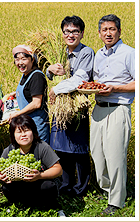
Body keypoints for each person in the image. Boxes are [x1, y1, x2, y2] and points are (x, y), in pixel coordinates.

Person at [90, 14, 135, 216]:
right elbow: (94, 81)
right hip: (98, 108)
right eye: (104, 30)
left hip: (118, 109)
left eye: (112, 29)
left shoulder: (130, 53)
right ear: (99, 33)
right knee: (97, 154)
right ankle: (107, 190)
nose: (108, 33)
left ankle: (117, 202)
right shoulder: (98, 55)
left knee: (115, 156)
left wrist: (115, 88)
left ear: (119, 31)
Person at [46, 16, 94, 197]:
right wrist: (50, 70)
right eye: (67, 31)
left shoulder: (86, 52)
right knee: (61, 147)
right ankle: (65, 186)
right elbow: (47, 74)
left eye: (75, 31)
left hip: (76, 107)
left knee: (79, 147)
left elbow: (80, 79)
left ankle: (81, 188)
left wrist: (56, 89)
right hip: (60, 107)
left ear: (81, 33)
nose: (70, 35)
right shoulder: (59, 51)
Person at [0, 114, 64, 214]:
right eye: (19, 132)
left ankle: (53, 207)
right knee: (7, 187)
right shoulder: (10, 150)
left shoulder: (42, 147)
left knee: (48, 186)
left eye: (27, 130)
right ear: (13, 135)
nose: (23, 135)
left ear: (33, 131)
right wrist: (0, 177)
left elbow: (58, 169)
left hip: (38, 185)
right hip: (21, 186)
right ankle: (21, 205)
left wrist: (40, 175)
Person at [9, 44, 50, 143]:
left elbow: (36, 103)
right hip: (26, 125)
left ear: (32, 60)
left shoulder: (37, 76)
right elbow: (29, 91)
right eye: (17, 59)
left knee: (38, 154)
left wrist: (17, 114)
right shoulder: (26, 74)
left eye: (24, 59)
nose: (20, 63)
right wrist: (17, 94)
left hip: (37, 125)